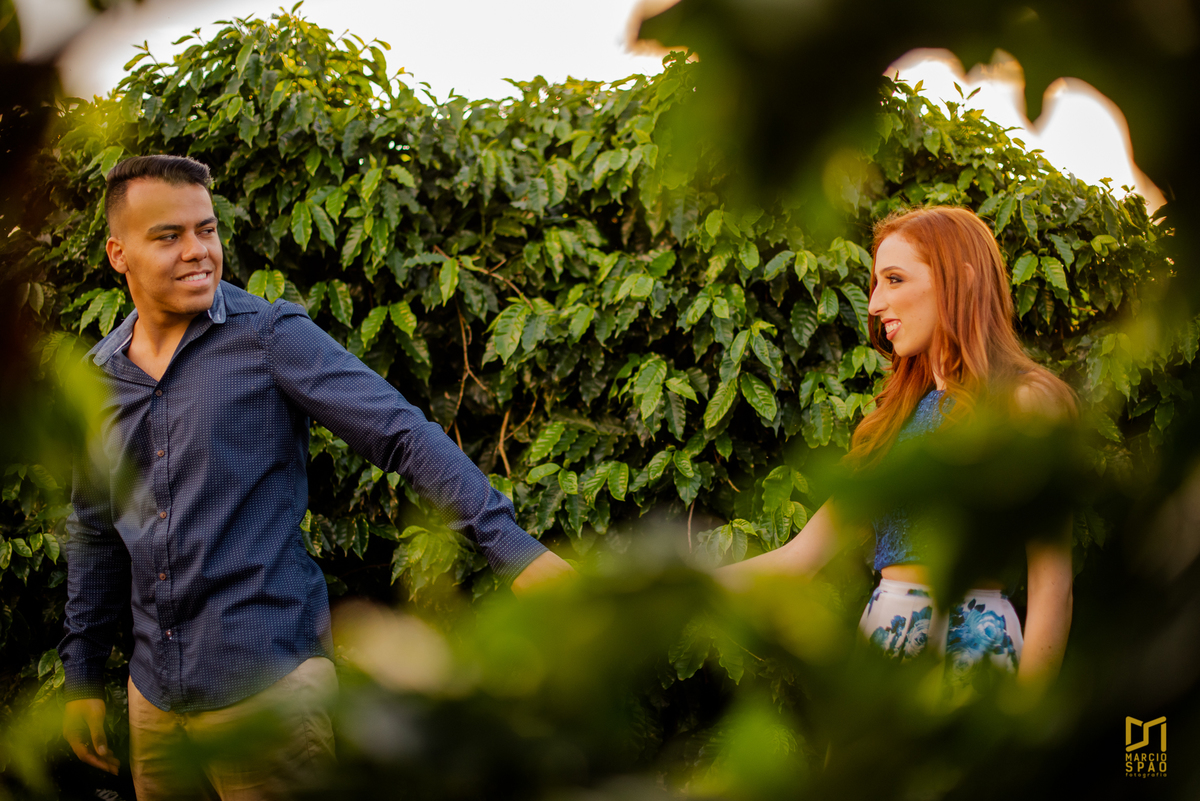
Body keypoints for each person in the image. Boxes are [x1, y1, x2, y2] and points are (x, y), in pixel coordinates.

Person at [59, 154, 574, 799]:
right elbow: (94, 532)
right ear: (118, 253)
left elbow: (401, 433)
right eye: (169, 236)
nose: (198, 251)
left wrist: (517, 554)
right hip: (155, 700)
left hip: (269, 690)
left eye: (207, 230)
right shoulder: (100, 376)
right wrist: (81, 679)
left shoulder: (270, 337)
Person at [720, 206, 1074, 690]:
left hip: (978, 654)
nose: (873, 304)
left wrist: (1030, 717)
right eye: (876, 283)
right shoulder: (894, 422)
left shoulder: (1025, 400)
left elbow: (1053, 585)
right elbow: (797, 559)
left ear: (961, 281)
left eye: (894, 279)